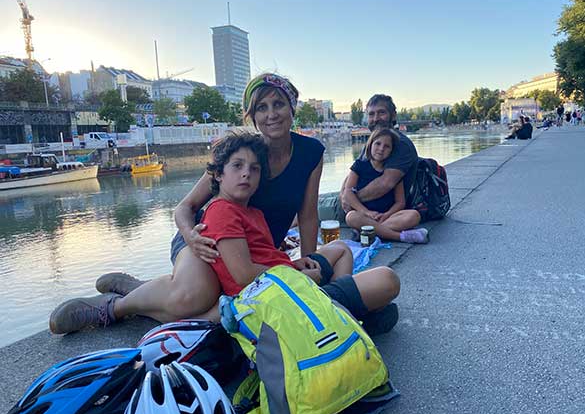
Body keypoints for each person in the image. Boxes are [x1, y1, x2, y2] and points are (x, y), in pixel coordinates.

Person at [48, 73, 399, 335]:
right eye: (261, 107)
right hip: (208, 242)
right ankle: (114, 309)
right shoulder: (240, 153)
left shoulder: (310, 152)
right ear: (251, 115)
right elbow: (184, 208)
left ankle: (142, 290)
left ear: (292, 109)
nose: (271, 114)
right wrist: (190, 237)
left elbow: (307, 213)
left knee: (226, 301)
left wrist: (307, 260)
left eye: (279, 104)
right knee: (194, 296)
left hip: (255, 253)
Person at [198, 132, 399, 333]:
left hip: (284, 283)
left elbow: (265, 258)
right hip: (272, 298)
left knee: (340, 248)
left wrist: (292, 264)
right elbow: (243, 275)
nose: (246, 173)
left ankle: (336, 315)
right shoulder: (222, 210)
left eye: (255, 168)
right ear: (218, 174)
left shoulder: (252, 212)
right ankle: (340, 316)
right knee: (387, 280)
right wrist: (300, 276)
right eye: (237, 165)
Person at [341, 94, 428, 243]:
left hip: (371, 208)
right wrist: (345, 195)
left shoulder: (400, 144)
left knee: (413, 215)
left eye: (381, 112)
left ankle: (367, 230)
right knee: (310, 204)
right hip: (357, 207)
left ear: (393, 115)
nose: (376, 118)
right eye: (371, 114)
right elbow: (351, 177)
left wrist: (351, 199)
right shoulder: (371, 143)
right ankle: (389, 234)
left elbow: (385, 184)